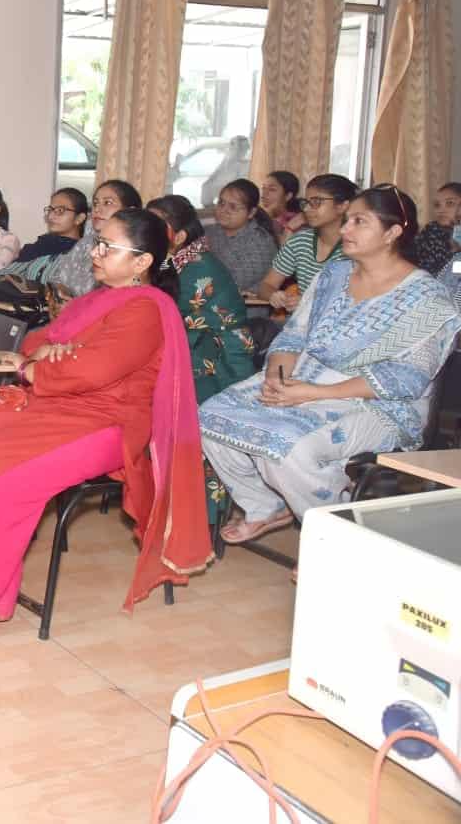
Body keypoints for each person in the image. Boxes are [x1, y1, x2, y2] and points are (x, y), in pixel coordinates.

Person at [0, 209, 211, 642]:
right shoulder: (97, 298)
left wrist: (43, 366)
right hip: (55, 405)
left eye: (108, 247)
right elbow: (38, 341)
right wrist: (47, 355)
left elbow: (93, 370)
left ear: (142, 262)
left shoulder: (147, 309)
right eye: (97, 242)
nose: (94, 252)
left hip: (104, 424)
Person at [203, 186, 461, 546]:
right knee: (212, 416)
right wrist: (278, 379)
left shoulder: (427, 299)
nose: (345, 230)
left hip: (379, 402)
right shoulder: (333, 276)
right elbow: (293, 336)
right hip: (305, 379)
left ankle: (333, 537)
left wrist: (314, 393)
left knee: (288, 447)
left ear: (393, 232)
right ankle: (264, 505)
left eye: (359, 222)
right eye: (346, 221)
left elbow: (406, 378)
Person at [147, 195, 256, 403]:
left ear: (178, 237)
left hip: (220, 361)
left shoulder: (199, 268)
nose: (144, 234)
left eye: (154, 228)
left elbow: (159, 315)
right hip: (194, 343)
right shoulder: (172, 259)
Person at [0, 179, 142, 297]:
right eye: (95, 203)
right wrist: (58, 293)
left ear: (129, 211)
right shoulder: (85, 244)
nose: (97, 208)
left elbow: (98, 291)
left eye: (107, 203)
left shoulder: (134, 248)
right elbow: (58, 279)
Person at [254, 173, 356, 312]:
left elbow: (359, 299)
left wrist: (309, 303)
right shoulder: (300, 241)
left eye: (317, 202)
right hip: (299, 326)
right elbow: (266, 285)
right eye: (306, 203)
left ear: (342, 206)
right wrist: (274, 295)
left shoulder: (355, 247)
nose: (307, 209)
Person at [203, 178, 278, 293]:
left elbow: (229, 282)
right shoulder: (210, 232)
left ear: (251, 213)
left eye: (233, 207)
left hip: (243, 307)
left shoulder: (261, 244)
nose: (224, 210)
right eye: (221, 203)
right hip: (203, 299)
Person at [6, 187, 88, 279]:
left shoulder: (82, 255)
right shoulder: (36, 247)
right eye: (50, 210)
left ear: (79, 218)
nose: (51, 216)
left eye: (60, 210)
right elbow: (5, 276)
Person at [416, 182, 461, 275]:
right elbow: (432, 273)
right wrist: (454, 252)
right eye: (437, 205)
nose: (441, 210)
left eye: (450, 203)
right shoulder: (431, 231)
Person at [260, 171, 306, 242]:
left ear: (288, 196)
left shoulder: (299, 224)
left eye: (272, 189)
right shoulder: (257, 217)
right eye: (263, 188)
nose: (263, 194)